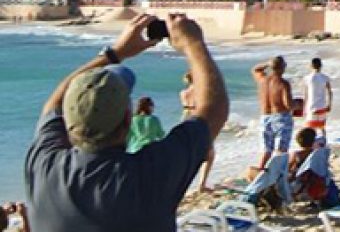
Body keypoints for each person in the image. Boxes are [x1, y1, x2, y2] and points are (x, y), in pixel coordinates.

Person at [24, 12, 228, 232]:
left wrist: (113, 54)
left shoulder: (43, 164)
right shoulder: (149, 175)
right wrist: (192, 44)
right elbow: (213, 110)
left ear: (67, 119)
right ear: (128, 120)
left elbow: (53, 105)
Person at [252, 55, 294, 170]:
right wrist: (298, 104)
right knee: (281, 150)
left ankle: (261, 171)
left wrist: (267, 63)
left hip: (265, 117)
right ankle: (279, 173)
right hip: (281, 117)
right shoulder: (283, 83)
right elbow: (288, 105)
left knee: (266, 150)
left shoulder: (262, 80)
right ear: (282, 67)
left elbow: (256, 69)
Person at [181, 70, 216, 191]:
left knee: (188, 153)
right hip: (197, 118)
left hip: (185, 117)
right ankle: (202, 183)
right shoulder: (199, 92)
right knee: (209, 153)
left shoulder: (183, 93)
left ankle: (183, 182)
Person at [304, 57, 333, 133]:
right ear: (321, 66)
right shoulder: (325, 77)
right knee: (322, 127)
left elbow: (306, 95)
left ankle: (312, 143)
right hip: (322, 106)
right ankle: (324, 142)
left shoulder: (307, 78)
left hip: (311, 106)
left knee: (310, 129)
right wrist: (329, 104)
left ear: (311, 66)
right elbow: (330, 92)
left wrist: (304, 108)